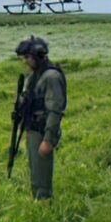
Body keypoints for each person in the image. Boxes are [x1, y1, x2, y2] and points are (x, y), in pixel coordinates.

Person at [15, 36, 67, 200]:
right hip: (32, 129)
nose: (25, 61)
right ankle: (37, 200)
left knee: (42, 176)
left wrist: (48, 140)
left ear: (37, 55)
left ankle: (44, 206)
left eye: (27, 57)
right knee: (35, 171)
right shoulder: (34, 76)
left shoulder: (51, 76)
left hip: (42, 131)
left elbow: (55, 110)